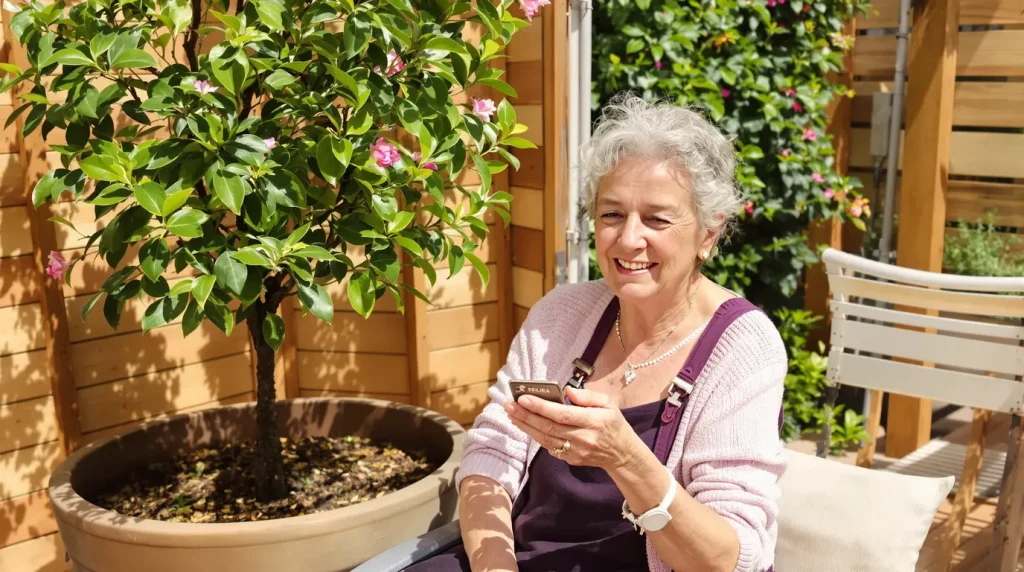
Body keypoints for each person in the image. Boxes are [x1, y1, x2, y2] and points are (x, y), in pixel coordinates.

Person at [407, 94, 787, 572]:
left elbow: (732, 560)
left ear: (709, 234)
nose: (629, 239)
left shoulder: (743, 348)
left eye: (657, 218)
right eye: (611, 214)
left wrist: (626, 459)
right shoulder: (563, 314)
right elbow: (492, 456)